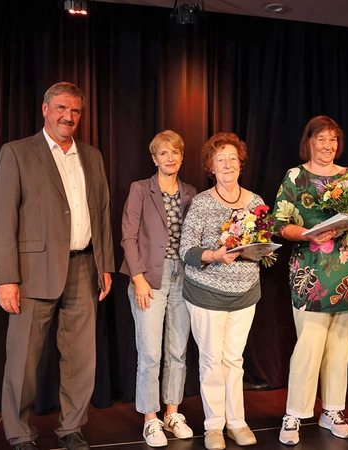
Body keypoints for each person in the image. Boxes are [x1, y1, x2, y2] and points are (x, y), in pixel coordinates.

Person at [0, 82, 114, 450]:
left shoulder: (91, 156)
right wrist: (6, 278)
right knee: (23, 362)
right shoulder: (16, 153)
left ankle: (72, 428)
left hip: (82, 269)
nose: (69, 116)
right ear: (45, 109)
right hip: (32, 274)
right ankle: (17, 432)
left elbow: (102, 213)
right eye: (62, 108)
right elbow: (3, 219)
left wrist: (105, 264)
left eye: (76, 111)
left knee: (81, 358)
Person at [272, 115, 348, 446]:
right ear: (309, 142)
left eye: (333, 140)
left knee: (340, 347)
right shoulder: (296, 177)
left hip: (347, 272)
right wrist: (308, 233)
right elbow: (279, 223)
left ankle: (332, 411)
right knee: (309, 347)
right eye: (321, 139)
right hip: (310, 274)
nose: (327, 146)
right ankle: (294, 414)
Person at [179, 132, 262, 450]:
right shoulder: (201, 203)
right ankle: (214, 426)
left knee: (234, 360)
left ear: (241, 163)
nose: (227, 165)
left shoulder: (255, 202)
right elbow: (187, 250)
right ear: (211, 167)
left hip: (244, 293)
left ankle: (236, 422)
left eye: (232, 159)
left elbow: (259, 245)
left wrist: (258, 250)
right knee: (212, 361)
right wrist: (214, 255)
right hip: (207, 294)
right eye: (220, 160)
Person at [120, 130, 197, 447]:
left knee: (177, 351)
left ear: (181, 157)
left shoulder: (191, 192)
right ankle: (150, 419)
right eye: (164, 153)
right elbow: (128, 236)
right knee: (150, 353)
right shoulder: (140, 189)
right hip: (149, 279)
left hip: (184, 277)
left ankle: (172, 412)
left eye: (176, 153)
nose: (170, 158)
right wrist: (137, 277)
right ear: (154, 158)